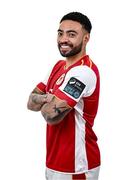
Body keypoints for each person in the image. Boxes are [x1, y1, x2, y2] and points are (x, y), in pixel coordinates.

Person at [27, 12, 100, 180]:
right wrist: (48, 98)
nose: (63, 39)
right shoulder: (58, 66)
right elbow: (30, 102)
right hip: (53, 161)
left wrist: (44, 98)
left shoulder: (84, 72)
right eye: (60, 33)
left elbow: (51, 115)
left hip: (76, 165)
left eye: (71, 34)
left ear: (86, 38)